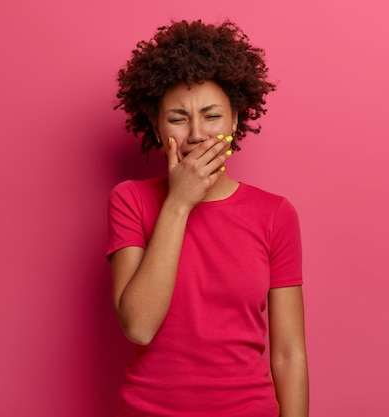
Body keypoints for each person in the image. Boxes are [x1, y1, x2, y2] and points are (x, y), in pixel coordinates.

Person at [107, 19, 309, 417]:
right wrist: (178, 204)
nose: (196, 134)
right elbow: (139, 326)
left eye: (212, 116)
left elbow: (289, 354)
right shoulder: (129, 199)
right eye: (178, 118)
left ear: (235, 121)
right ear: (156, 125)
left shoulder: (275, 214)